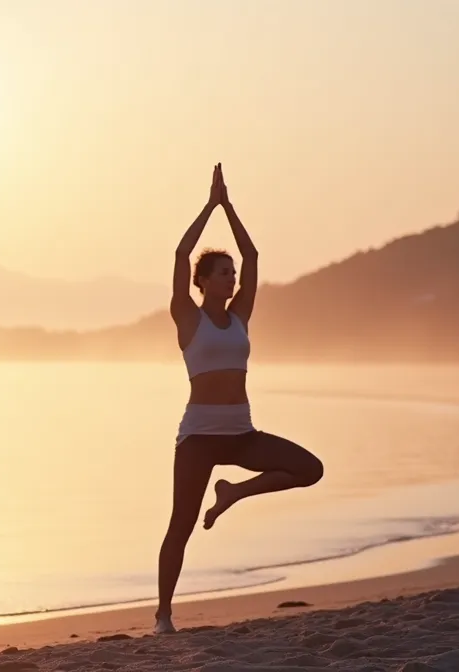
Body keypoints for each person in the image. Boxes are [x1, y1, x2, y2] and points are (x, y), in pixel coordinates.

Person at [154, 164, 324, 635]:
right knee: (181, 525)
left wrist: (230, 207)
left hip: (242, 433)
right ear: (202, 281)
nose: (231, 279)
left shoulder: (241, 316)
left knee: (310, 469)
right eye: (222, 274)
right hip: (200, 438)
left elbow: (253, 254)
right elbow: (181, 251)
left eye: (232, 274)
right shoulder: (188, 318)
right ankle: (163, 614)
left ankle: (233, 493)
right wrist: (209, 206)